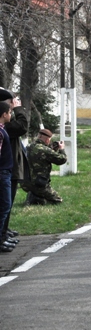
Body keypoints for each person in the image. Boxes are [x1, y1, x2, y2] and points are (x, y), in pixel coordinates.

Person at [0, 88, 28, 246]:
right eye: (10, 102)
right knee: (5, 205)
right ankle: (2, 236)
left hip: (9, 169)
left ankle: (4, 233)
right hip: (5, 170)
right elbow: (22, 126)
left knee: (6, 205)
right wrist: (18, 109)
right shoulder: (4, 126)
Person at [22, 129, 67, 206]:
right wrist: (61, 149)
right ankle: (36, 197)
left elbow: (40, 155)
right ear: (47, 139)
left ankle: (34, 196)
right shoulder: (46, 150)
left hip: (25, 183)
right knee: (58, 200)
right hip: (40, 185)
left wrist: (52, 150)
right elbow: (62, 159)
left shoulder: (29, 147)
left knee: (41, 196)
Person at [0, 102, 14, 253]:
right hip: (2, 174)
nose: (10, 115)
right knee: (4, 207)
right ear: (4, 114)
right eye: (9, 112)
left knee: (4, 207)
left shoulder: (2, 130)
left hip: (5, 172)